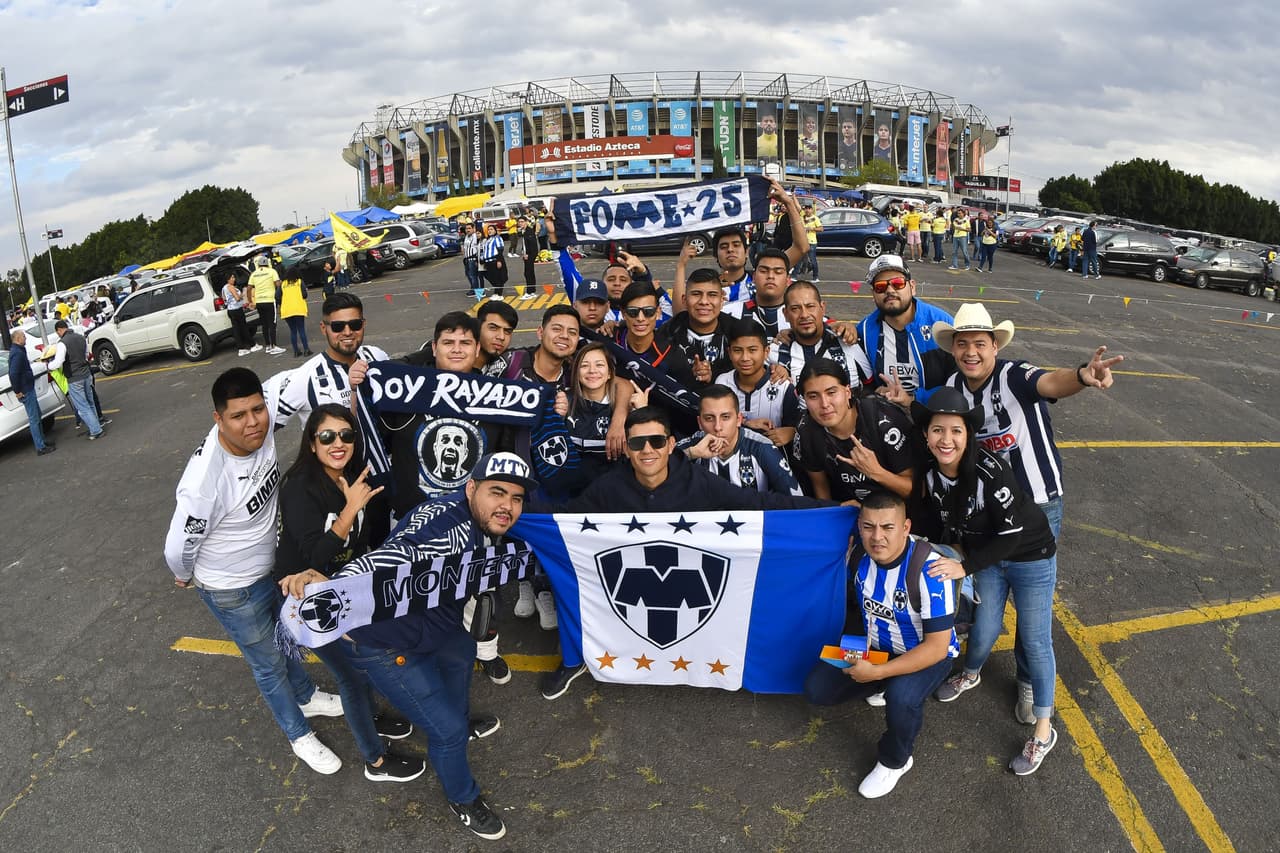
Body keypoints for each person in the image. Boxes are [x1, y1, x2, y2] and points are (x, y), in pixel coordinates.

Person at [536, 406, 828, 700]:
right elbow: (564, 518)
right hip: (634, 589)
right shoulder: (609, 487)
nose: (647, 450)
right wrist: (516, 513)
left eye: (657, 441)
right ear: (626, 449)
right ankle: (573, 659)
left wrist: (829, 511)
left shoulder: (697, 482)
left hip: (684, 592)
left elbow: (757, 502)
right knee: (573, 582)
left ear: (671, 444)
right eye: (637, 443)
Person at [328, 453, 533, 841]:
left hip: (441, 626)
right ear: (471, 488)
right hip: (386, 642)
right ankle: (463, 798)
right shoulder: (448, 532)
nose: (507, 505)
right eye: (497, 492)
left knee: (460, 667)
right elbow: (394, 555)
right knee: (448, 732)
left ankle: (457, 721)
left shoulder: (464, 510)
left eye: (517, 498)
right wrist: (337, 597)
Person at [933, 303, 1121, 720]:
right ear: (954, 349)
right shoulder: (953, 386)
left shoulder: (1013, 375)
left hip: (1038, 505)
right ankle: (973, 669)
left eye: (980, 343)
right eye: (962, 344)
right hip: (987, 516)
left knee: (1031, 615)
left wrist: (1082, 377)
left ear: (994, 346)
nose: (971, 352)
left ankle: (1028, 681)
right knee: (987, 608)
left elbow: (1050, 382)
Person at [163, 367, 345, 775]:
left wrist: (353, 372)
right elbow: (178, 546)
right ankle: (298, 733)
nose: (253, 423)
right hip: (232, 589)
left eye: (257, 410)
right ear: (218, 419)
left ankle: (306, 694)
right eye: (238, 416)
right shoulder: (205, 482)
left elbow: (302, 378)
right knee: (267, 664)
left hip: (273, 570)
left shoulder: (264, 417)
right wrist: (184, 574)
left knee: (285, 640)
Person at [910, 388, 1060, 775]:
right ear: (926, 434)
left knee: (1035, 638)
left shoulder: (990, 470)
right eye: (937, 430)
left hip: (1029, 556)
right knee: (985, 628)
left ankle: (1043, 732)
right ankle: (971, 673)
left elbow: (1011, 534)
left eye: (956, 431)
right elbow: (942, 524)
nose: (946, 440)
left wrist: (964, 566)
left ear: (968, 434)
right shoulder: (929, 472)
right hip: (987, 558)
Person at [274, 404, 426, 783]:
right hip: (306, 600)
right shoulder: (299, 488)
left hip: (343, 589)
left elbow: (364, 543)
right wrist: (350, 509)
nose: (337, 443)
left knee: (364, 662)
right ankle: (375, 761)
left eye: (346, 435)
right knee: (352, 677)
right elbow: (313, 558)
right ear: (312, 443)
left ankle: (372, 716)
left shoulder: (355, 477)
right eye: (327, 436)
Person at [802, 491, 959, 798]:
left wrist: (878, 672)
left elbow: (937, 647)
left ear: (905, 527)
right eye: (868, 526)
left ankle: (895, 760)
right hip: (875, 645)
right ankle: (883, 682)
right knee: (817, 689)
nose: (877, 537)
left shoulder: (931, 570)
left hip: (927, 654)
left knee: (902, 699)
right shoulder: (858, 554)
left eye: (887, 527)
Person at [795, 358, 915, 504]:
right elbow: (821, 491)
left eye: (831, 392)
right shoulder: (807, 431)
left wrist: (876, 472)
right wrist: (837, 510)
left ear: (847, 392)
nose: (824, 404)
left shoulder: (884, 420)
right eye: (813, 396)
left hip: (899, 514)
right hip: (851, 512)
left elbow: (916, 491)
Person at [854, 256, 955, 405]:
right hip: (887, 416)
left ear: (912, 287)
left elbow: (960, 379)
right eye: (880, 287)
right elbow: (862, 381)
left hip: (935, 414)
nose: (889, 290)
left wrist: (914, 400)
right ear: (873, 294)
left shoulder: (941, 323)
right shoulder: (864, 329)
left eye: (897, 283)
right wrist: (875, 392)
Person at [683, 385, 802, 496]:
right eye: (709, 418)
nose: (718, 427)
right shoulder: (695, 444)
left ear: (739, 419)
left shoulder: (761, 447)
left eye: (725, 417)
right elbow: (666, 461)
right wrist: (692, 453)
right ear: (699, 423)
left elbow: (796, 499)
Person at [715, 318, 802, 450]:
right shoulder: (722, 383)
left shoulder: (783, 386)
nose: (745, 358)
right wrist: (746, 424)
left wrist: (792, 432)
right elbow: (715, 425)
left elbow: (798, 427)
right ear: (729, 353)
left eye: (752, 350)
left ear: (766, 352)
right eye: (738, 350)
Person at [772, 281, 873, 390]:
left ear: (822, 308)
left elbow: (871, 387)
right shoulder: (775, 352)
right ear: (785, 314)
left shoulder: (848, 343)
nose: (804, 315)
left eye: (810, 306)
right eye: (795, 309)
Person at [614, 281, 696, 389]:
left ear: (658, 313)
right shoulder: (610, 342)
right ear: (623, 313)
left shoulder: (672, 354)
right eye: (633, 312)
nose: (640, 318)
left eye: (648, 311)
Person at [48, 319, 104, 440]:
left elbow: (58, 362)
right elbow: (86, 355)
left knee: (82, 406)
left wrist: (49, 365)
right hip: (86, 374)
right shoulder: (80, 337)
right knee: (90, 402)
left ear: (59, 330)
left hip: (74, 377)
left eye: (57, 332)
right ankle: (96, 425)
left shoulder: (62, 343)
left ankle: (95, 430)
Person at [7, 329, 55, 455]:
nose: (25, 338)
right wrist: (18, 390)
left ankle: (43, 441)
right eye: (23, 336)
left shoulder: (18, 351)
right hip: (25, 390)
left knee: (37, 416)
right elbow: (13, 373)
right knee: (34, 419)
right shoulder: (17, 353)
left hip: (27, 387)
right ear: (17, 339)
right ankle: (40, 447)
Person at [247, 255, 286, 355]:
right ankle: (274, 346)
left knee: (264, 324)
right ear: (267, 263)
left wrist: (250, 301)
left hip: (259, 302)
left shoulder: (254, 274)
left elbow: (249, 288)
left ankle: (268, 346)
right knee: (272, 323)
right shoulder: (272, 271)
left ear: (258, 264)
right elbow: (278, 284)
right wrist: (279, 282)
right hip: (269, 300)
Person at [223, 271, 259, 355]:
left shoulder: (224, 288)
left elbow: (224, 299)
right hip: (236, 310)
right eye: (232, 277)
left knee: (236, 329)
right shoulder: (231, 287)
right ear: (228, 279)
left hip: (230, 310)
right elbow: (237, 298)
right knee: (243, 327)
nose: (234, 279)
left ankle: (241, 348)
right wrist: (243, 294)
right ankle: (252, 345)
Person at [279, 275, 311, 358]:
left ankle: (296, 351)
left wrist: (283, 303)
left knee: (293, 331)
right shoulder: (299, 281)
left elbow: (277, 296)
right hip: (298, 308)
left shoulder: (283, 284)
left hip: (286, 309)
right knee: (301, 329)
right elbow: (304, 295)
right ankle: (306, 350)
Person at [479, 224, 508, 300]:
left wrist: (499, 260)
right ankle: (497, 291)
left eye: (491, 229)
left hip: (495, 260)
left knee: (497, 277)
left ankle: (499, 294)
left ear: (495, 230)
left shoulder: (497, 238)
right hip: (488, 261)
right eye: (488, 230)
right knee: (490, 276)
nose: (489, 231)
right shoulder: (488, 239)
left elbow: (500, 250)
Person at [516, 215, 539, 300]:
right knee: (528, 273)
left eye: (522, 222)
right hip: (526, 255)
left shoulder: (529, 231)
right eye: (519, 222)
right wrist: (523, 252)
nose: (520, 223)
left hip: (530, 255)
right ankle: (532, 291)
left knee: (529, 273)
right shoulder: (524, 231)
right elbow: (524, 244)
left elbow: (533, 245)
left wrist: (528, 254)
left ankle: (530, 292)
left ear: (526, 222)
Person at [801, 204, 823, 281]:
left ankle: (815, 277)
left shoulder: (815, 218)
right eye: (806, 209)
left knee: (813, 259)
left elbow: (821, 229)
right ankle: (799, 272)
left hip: (812, 241)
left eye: (809, 208)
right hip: (803, 241)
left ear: (811, 210)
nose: (807, 210)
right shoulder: (802, 218)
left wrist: (812, 228)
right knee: (800, 258)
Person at [461, 223, 482, 292]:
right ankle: (473, 288)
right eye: (466, 229)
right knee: (468, 275)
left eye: (469, 228)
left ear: (473, 229)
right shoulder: (466, 236)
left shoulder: (476, 236)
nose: (467, 230)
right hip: (467, 259)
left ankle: (476, 291)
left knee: (473, 276)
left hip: (473, 259)